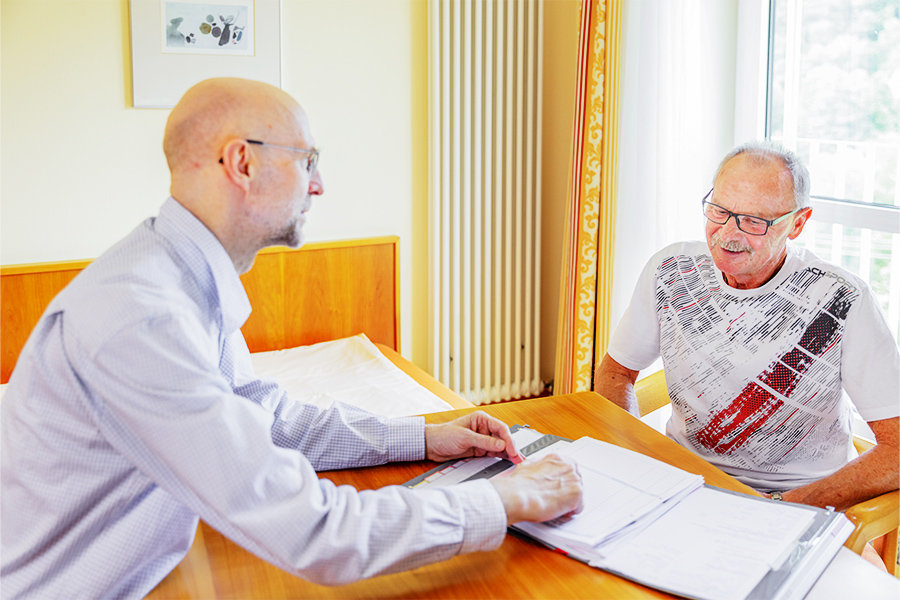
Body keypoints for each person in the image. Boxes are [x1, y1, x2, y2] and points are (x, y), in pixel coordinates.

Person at [0, 78, 583, 598]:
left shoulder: (179, 276)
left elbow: (262, 418)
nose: (319, 184)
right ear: (243, 164)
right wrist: (508, 499)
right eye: (307, 159)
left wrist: (421, 436)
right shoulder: (143, 318)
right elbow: (312, 531)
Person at [594, 141, 899, 516]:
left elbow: (896, 452)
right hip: (683, 485)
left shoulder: (844, 299)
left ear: (797, 223)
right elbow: (617, 372)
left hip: (798, 502)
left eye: (754, 221)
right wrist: (635, 459)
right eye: (719, 211)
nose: (727, 234)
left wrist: (776, 508)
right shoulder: (670, 270)